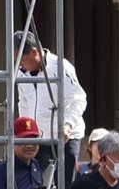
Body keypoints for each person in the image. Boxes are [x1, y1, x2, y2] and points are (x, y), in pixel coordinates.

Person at [14, 32, 86, 180]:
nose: (19, 64)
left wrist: (68, 125)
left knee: (64, 183)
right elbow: (24, 102)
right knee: (26, 179)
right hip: (37, 136)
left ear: (34, 53)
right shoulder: (20, 73)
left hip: (65, 136)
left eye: (21, 59)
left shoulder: (60, 67)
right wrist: (25, 129)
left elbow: (78, 99)